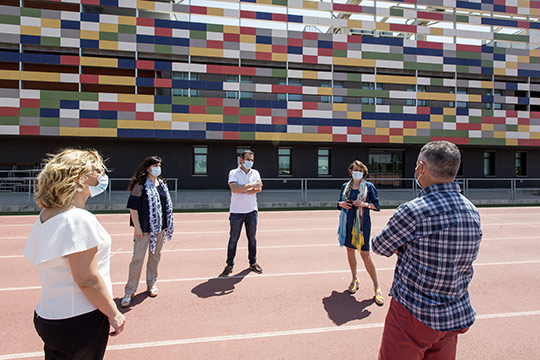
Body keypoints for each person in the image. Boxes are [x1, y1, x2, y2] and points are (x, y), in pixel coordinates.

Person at [372, 141, 483, 360]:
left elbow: (379, 246)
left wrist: (403, 248)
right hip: (453, 313)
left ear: (422, 168)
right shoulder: (472, 211)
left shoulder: (414, 210)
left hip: (414, 312)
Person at [23, 148, 125, 359]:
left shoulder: (46, 214)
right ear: (79, 179)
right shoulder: (78, 218)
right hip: (79, 320)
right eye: (96, 170)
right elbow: (87, 279)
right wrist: (113, 313)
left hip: (49, 316)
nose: (101, 175)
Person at [121, 156, 175, 307]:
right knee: (137, 259)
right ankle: (129, 291)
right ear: (147, 167)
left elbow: (166, 206)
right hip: (143, 229)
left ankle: (152, 284)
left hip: (159, 228)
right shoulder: (140, 185)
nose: (158, 167)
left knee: (155, 257)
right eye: (155, 165)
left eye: (159, 165)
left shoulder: (162, 184)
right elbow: (133, 207)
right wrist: (137, 226)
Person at [337, 160, 384, 305]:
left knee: (365, 255)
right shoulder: (346, 186)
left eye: (360, 170)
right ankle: (354, 278)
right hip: (347, 223)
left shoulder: (369, 187)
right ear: (350, 171)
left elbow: (376, 206)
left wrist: (363, 204)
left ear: (364, 172)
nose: (357, 172)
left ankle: (377, 287)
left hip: (362, 225)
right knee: (350, 252)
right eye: (355, 169)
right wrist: (342, 204)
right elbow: (339, 203)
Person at [220, 150, 263, 277]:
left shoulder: (256, 173)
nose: (250, 162)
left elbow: (258, 189)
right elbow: (234, 189)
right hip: (236, 213)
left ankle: (253, 263)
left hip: (252, 211)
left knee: (252, 239)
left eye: (252, 160)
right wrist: (250, 186)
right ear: (241, 160)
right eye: (248, 159)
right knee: (233, 239)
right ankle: (229, 264)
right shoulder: (233, 173)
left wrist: (243, 189)